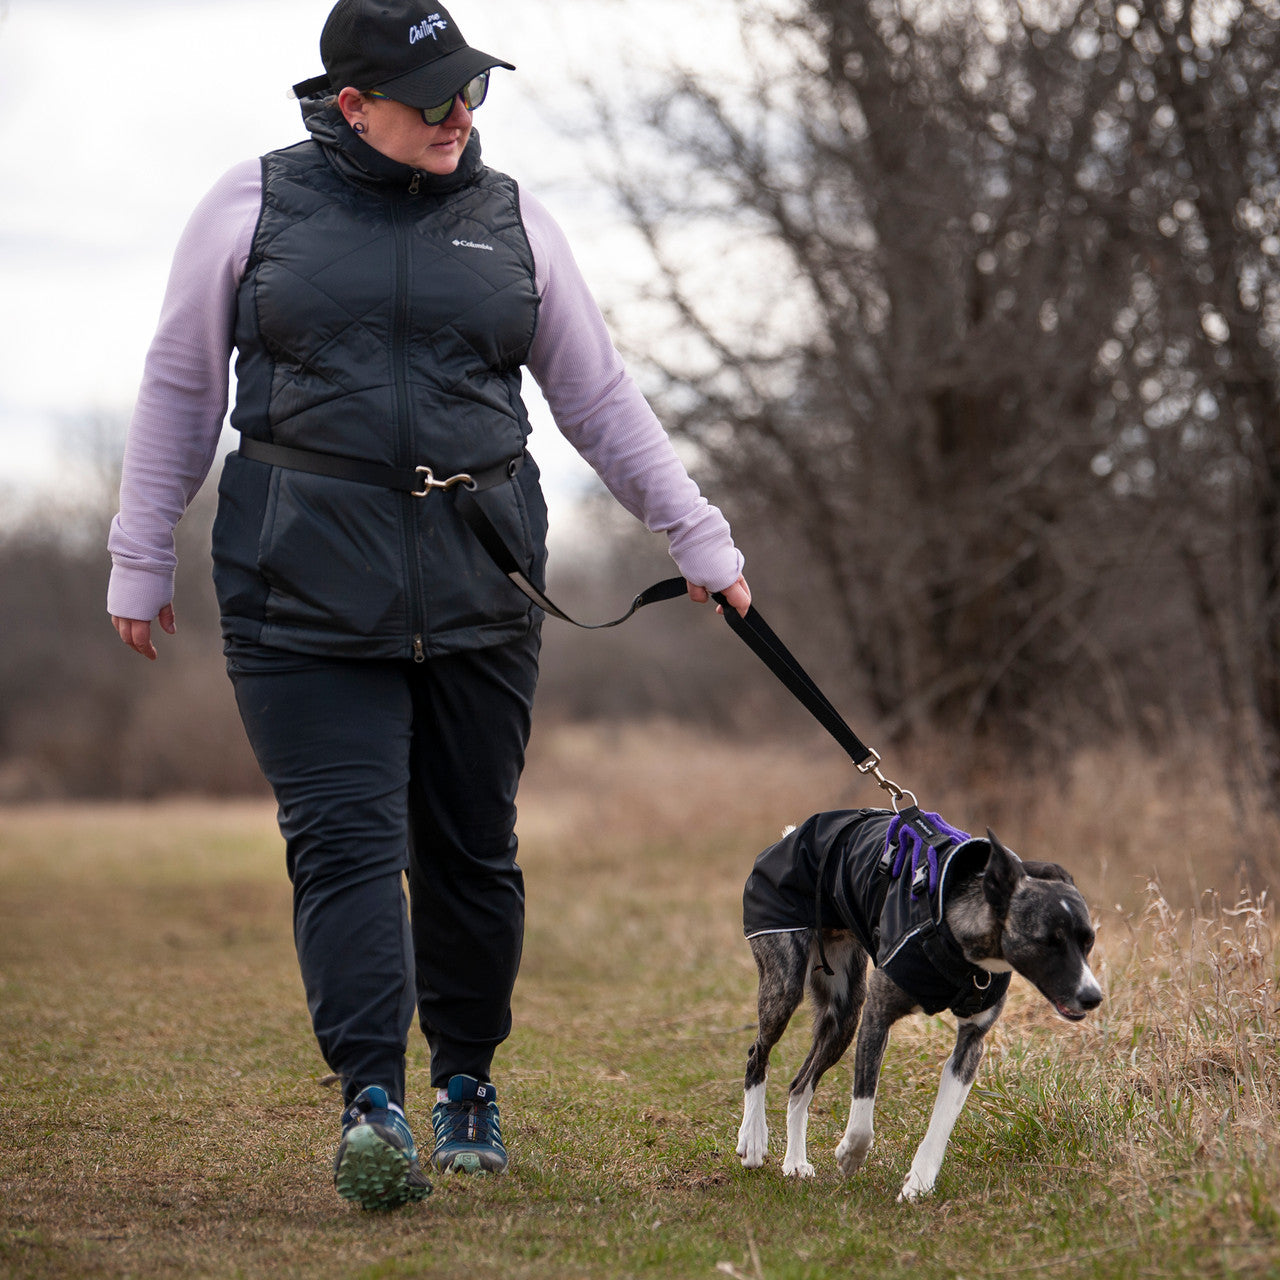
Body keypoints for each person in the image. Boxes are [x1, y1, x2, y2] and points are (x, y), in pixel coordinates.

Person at [108, 0, 750, 1212]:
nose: (462, 117)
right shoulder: (249, 207)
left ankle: (465, 1080)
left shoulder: (513, 223)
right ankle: (373, 1102)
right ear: (350, 104)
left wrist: (697, 534)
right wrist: (138, 549)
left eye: (474, 93)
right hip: (298, 585)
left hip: (479, 576)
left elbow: (597, 399)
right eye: (434, 99)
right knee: (344, 843)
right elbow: (182, 380)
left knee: (468, 849)